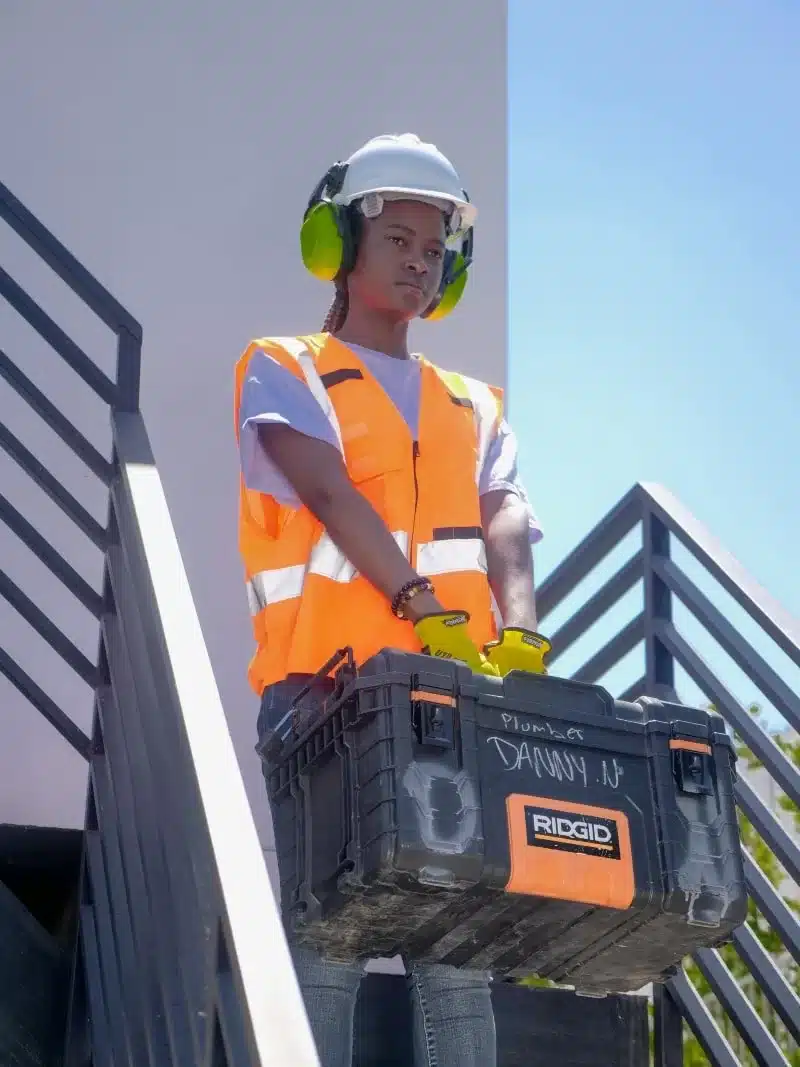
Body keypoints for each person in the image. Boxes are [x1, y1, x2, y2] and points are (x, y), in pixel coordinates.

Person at [234, 133, 550, 1067]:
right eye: (400, 239)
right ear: (343, 244)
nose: (420, 262)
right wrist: (421, 604)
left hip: (449, 701)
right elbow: (331, 493)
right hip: (321, 696)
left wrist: (521, 630)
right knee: (332, 938)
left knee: (454, 960)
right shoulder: (285, 367)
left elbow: (508, 526)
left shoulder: (475, 403)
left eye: (435, 248)